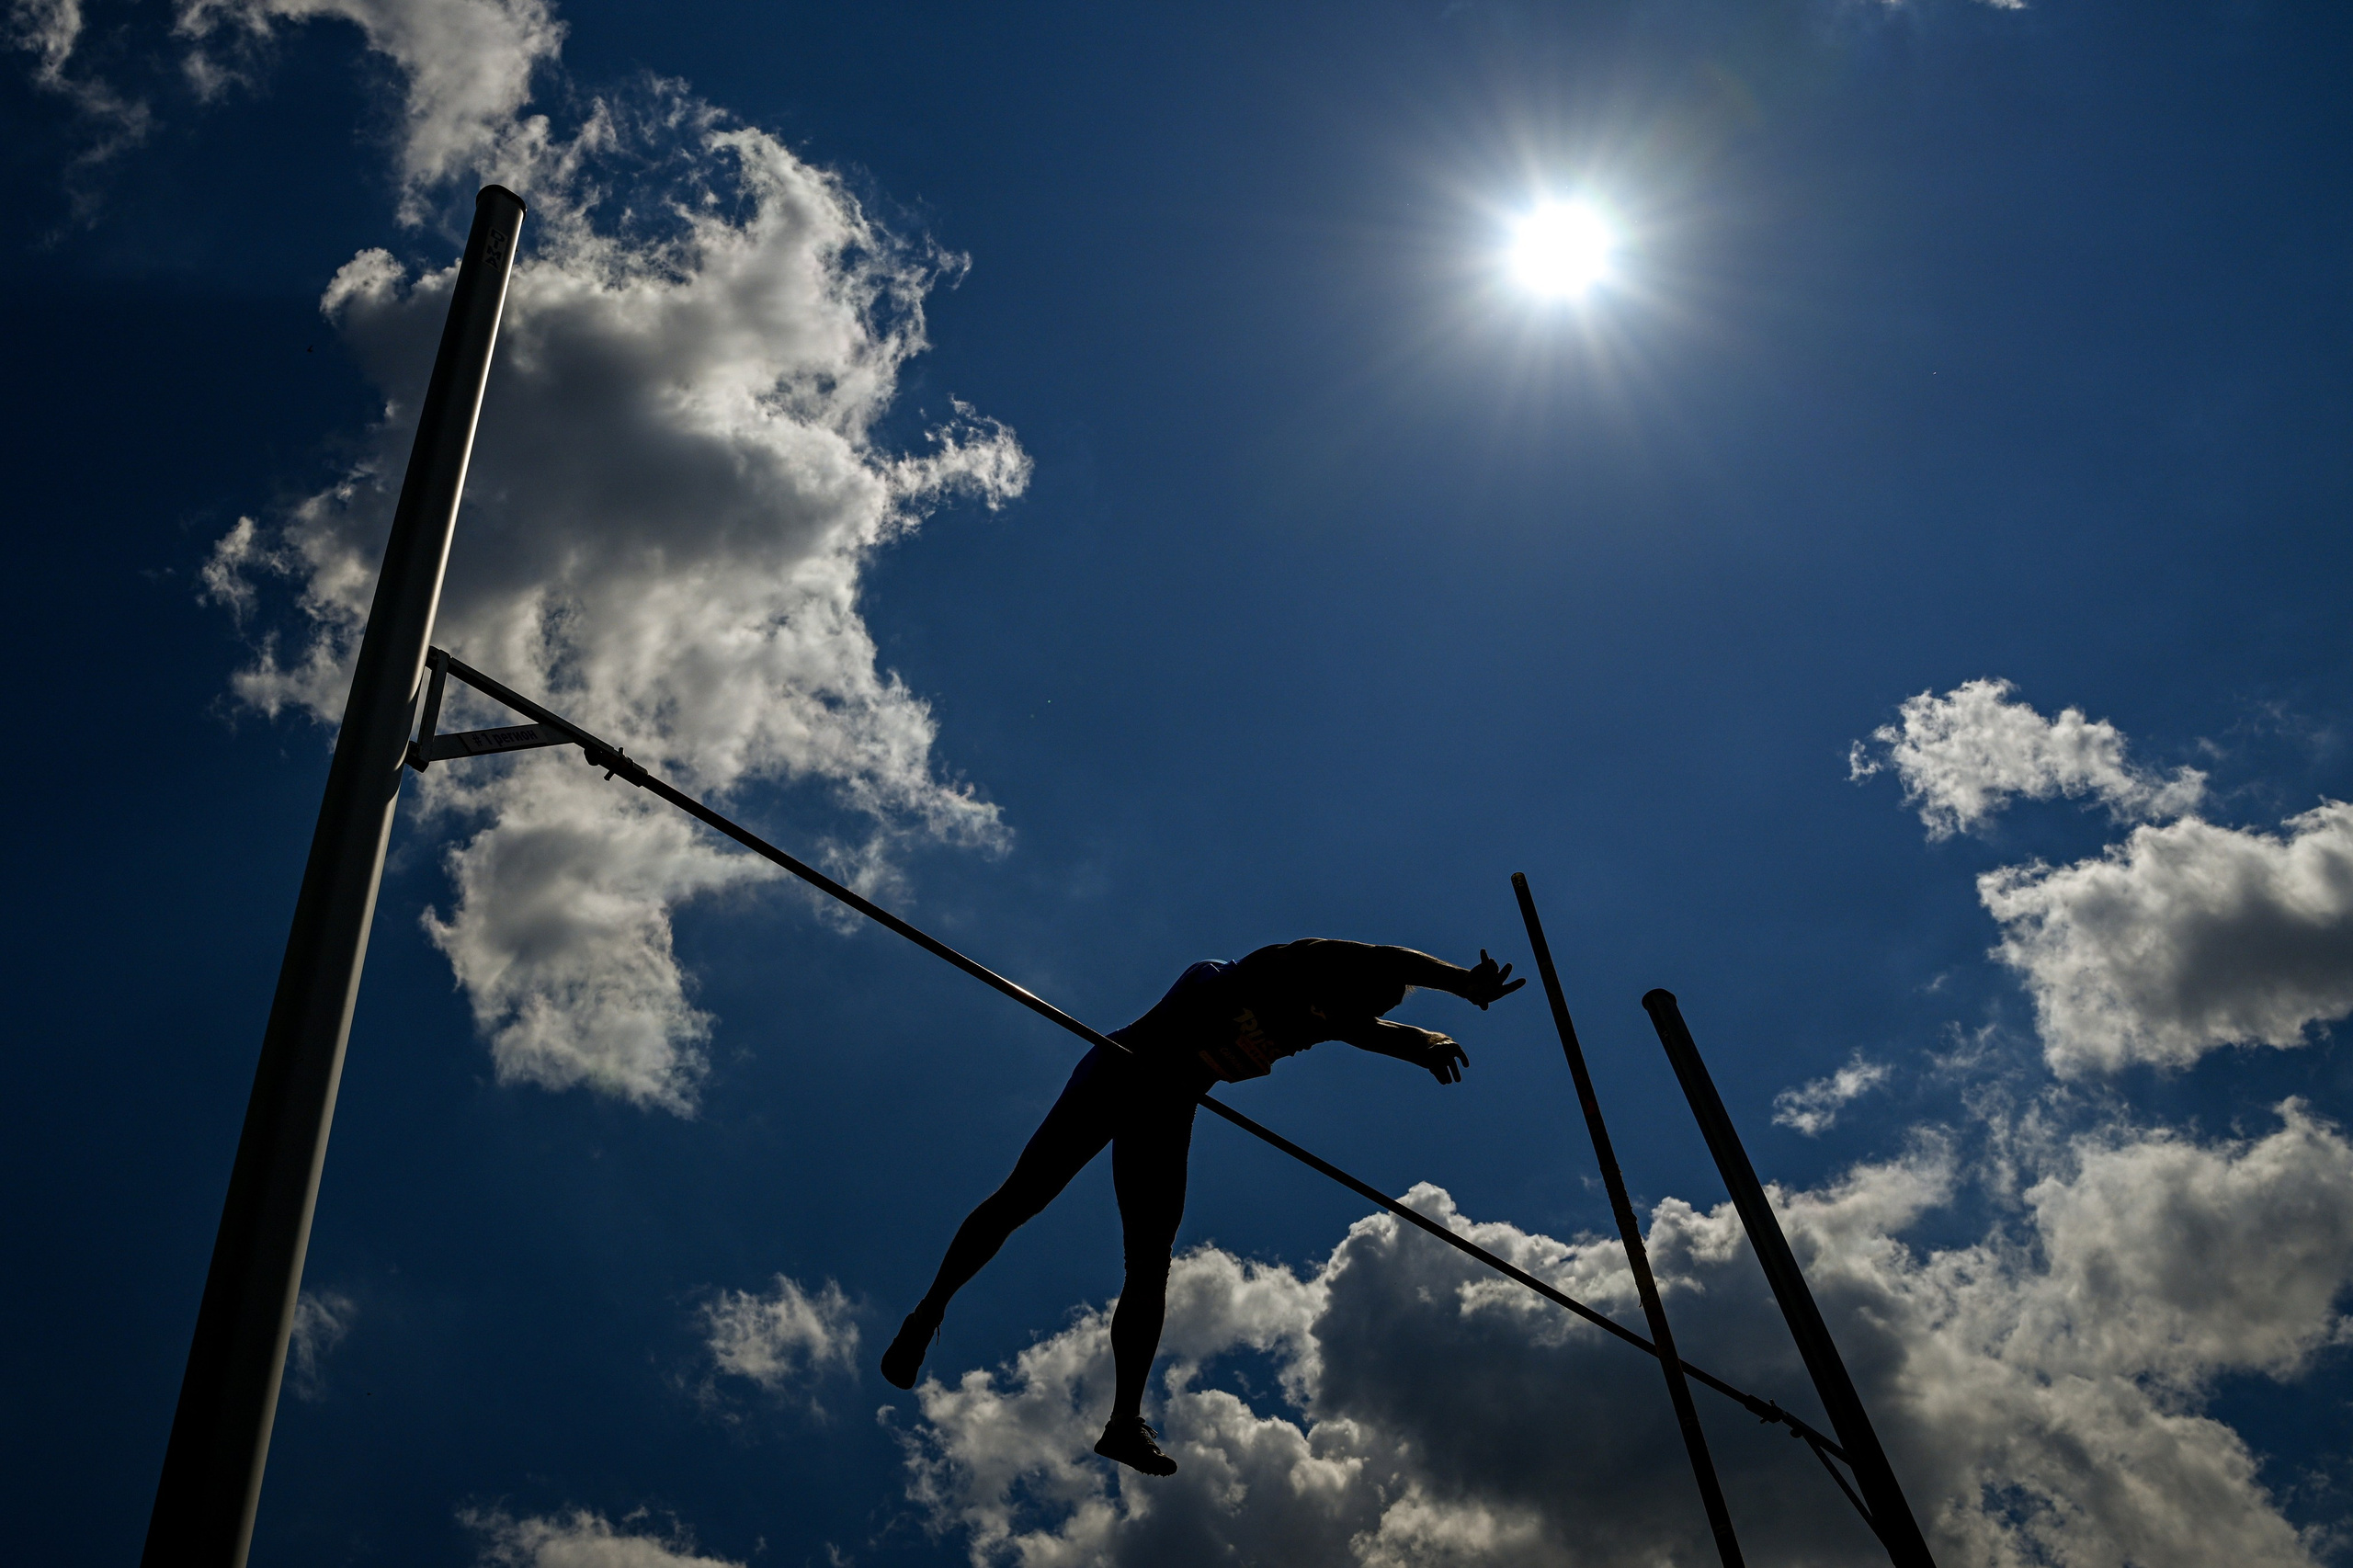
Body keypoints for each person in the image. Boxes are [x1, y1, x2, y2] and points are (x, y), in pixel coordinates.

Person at [879, 938, 1527, 1476]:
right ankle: (927, 1313)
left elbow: (1374, 1028)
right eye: (1348, 1008)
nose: (1344, 1023)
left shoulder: (1331, 1019)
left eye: (1354, 1018)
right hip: (1121, 1073)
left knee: (1150, 1263)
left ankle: (1123, 1424)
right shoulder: (1284, 966)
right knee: (1023, 1198)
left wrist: (1426, 1036)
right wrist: (1458, 978)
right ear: (1337, 980)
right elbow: (1390, 959)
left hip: (1167, 1109)